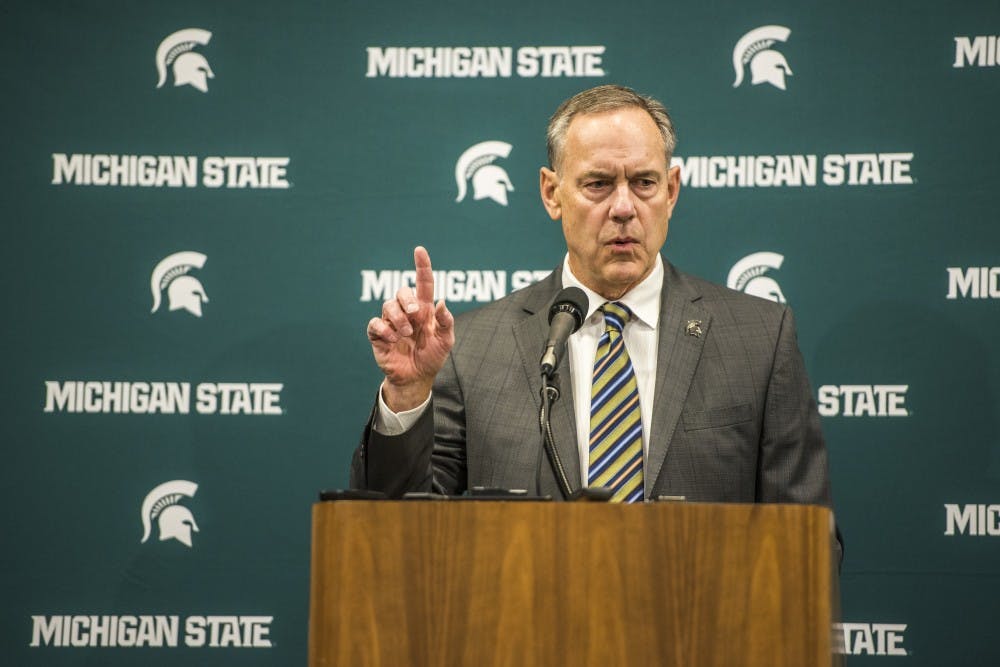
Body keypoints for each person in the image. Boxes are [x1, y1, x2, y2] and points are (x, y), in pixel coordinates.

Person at [352, 85, 836, 533]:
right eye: (599, 184)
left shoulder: (758, 339)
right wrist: (409, 395)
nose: (624, 207)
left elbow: (805, 543)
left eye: (644, 182)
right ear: (551, 193)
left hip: (698, 623)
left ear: (671, 191)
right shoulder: (475, 348)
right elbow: (397, 529)